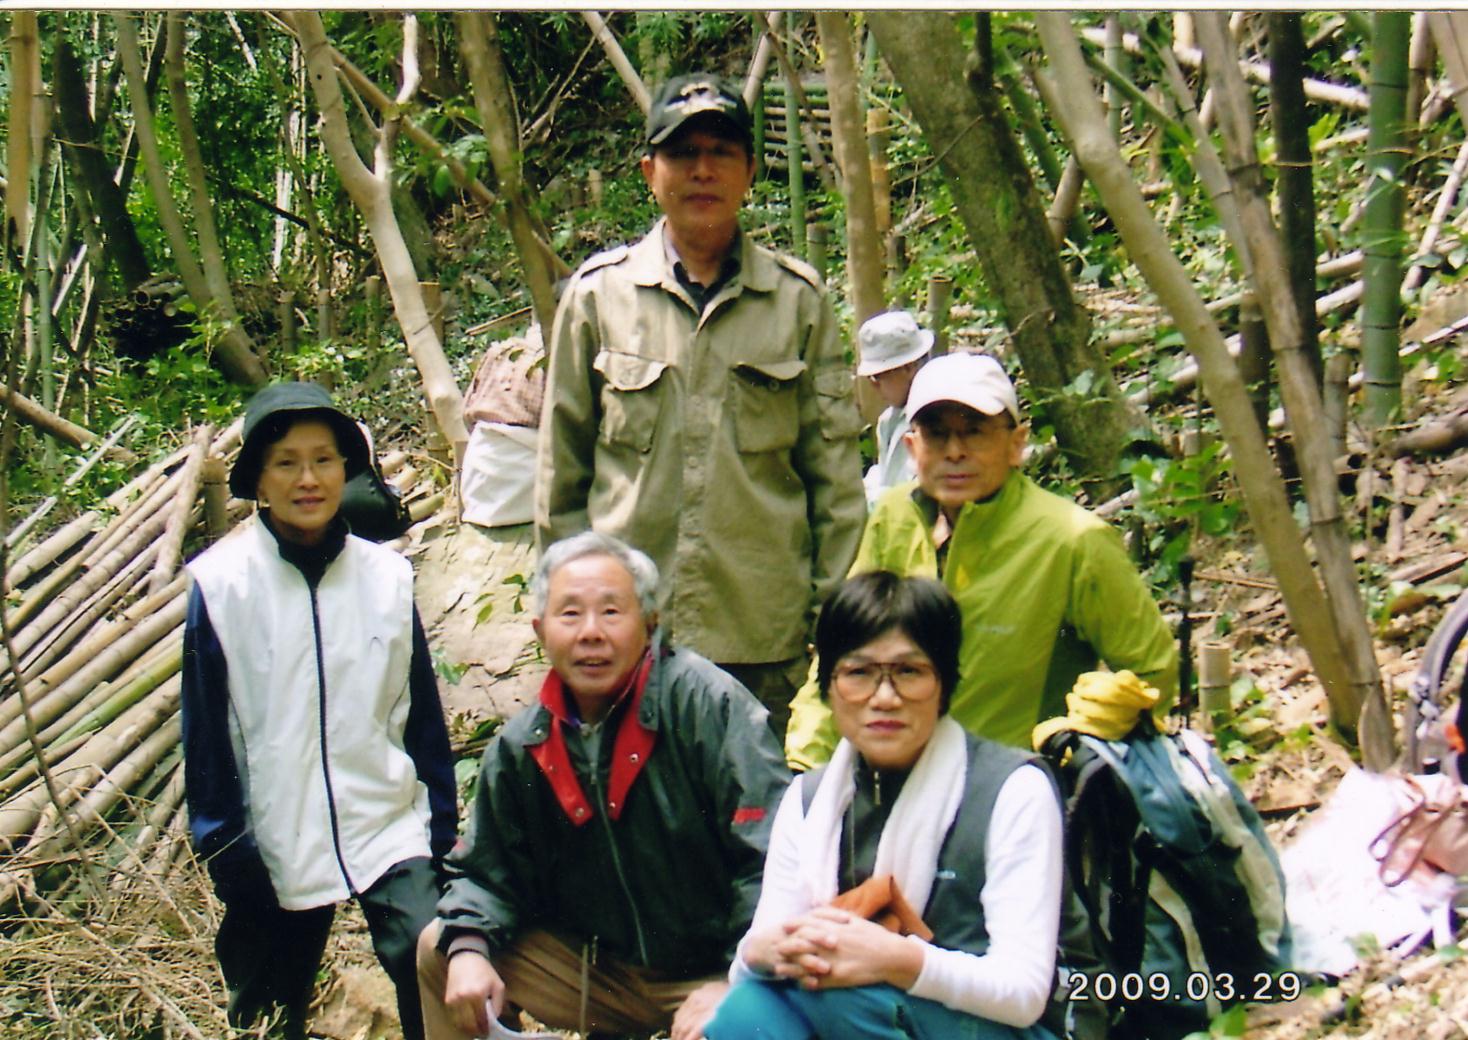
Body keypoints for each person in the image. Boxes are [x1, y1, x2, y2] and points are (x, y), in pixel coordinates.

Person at [535, 72, 866, 741]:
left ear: (749, 170)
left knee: (761, 835)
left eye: (721, 152)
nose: (702, 170)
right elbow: (560, 475)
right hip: (624, 642)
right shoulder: (600, 298)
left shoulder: (797, 303)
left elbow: (835, 485)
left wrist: (833, 630)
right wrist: (568, 618)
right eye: (684, 154)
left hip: (764, 642)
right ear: (650, 171)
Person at [416, 531, 792, 1040]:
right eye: (570, 614)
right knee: (442, 948)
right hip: (603, 979)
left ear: (650, 623)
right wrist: (467, 952)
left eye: (612, 613)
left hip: (712, 972)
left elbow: (774, 858)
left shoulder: (708, 706)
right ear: (540, 631)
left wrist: (738, 977)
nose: (591, 632)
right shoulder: (525, 744)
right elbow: (486, 873)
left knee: (758, 1015)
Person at [181, 382, 457, 1040]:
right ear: (260, 482)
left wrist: (438, 825)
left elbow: (422, 717)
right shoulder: (222, 586)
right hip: (274, 834)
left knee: (437, 963)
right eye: (287, 463)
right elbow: (207, 732)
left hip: (385, 819)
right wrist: (225, 844)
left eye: (325, 460)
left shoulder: (386, 577)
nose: (309, 479)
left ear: (346, 470)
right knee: (267, 1010)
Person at [705, 571, 1062, 1040]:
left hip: (992, 1028)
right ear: (829, 688)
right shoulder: (809, 800)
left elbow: (1024, 992)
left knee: (843, 998)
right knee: (744, 1011)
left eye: (909, 672)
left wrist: (895, 959)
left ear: (945, 684)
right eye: (859, 674)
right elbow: (765, 946)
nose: (885, 698)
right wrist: (766, 952)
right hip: (855, 1007)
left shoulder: (1013, 790)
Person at [786, 352, 1178, 769]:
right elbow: (843, 647)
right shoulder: (896, 516)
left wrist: (1080, 738)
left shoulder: (1073, 540)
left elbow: (1151, 670)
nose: (955, 452)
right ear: (912, 447)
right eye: (937, 435)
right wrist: (806, 767)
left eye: (975, 433)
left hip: (1022, 791)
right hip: (897, 783)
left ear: (1016, 445)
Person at [857, 310, 931, 508]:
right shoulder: (889, 420)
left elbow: (911, 495)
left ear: (908, 368)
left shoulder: (933, 418)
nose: (874, 385)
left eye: (879, 376)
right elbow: (884, 474)